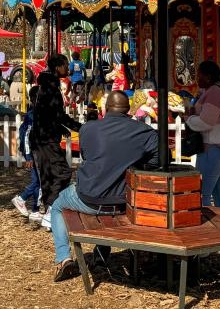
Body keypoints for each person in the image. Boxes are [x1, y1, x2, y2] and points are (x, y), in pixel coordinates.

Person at [51, 91, 159, 281]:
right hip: (125, 201)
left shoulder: (88, 129)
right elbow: (158, 161)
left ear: (106, 108)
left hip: (89, 198)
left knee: (58, 205)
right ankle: (100, 256)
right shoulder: (145, 132)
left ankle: (64, 258)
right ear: (128, 110)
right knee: (109, 205)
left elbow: (87, 156)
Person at [29, 53, 82, 231]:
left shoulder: (46, 86)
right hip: (46, 138)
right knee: (62, 173)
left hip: (42, 136)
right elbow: (57, 114)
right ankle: (52, 210)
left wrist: (62, 128)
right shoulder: (50, 88)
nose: (68, 69)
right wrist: (78, 127)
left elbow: (47, 114)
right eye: (66, 65)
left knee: (48, 175)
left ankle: (50, 212)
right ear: (57, 67)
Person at [186, 60, 220, 208]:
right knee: (218, 193)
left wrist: (188, 118)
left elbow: (206, 122)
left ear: (208, 77)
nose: (197, 79)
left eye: (199, 76)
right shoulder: (214, 89)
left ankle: (206, 223)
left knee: (201, 193)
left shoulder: (214, 93)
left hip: (213, 148)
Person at [12, 86, 40, 218]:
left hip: (35, 152)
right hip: (31, 152)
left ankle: (35, 210)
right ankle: (21, 198)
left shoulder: (36, 113)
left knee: (37, 180)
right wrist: (28, 157)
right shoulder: (32, 115)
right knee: (37, 181)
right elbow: (27, 136)